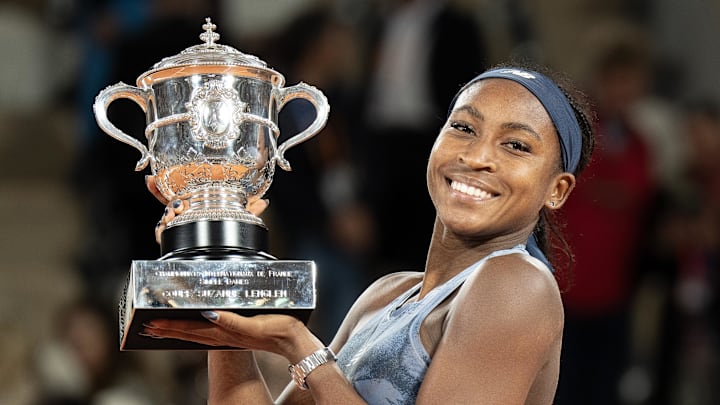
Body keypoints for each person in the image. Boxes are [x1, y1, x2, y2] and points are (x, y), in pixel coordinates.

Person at [143, 63, 595, 404]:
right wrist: (224, 282)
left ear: (557, 190)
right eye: (463, 128)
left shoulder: (519, 286)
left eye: (515, 145)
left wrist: (298, 345)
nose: (478, 156)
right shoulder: (386, 294)